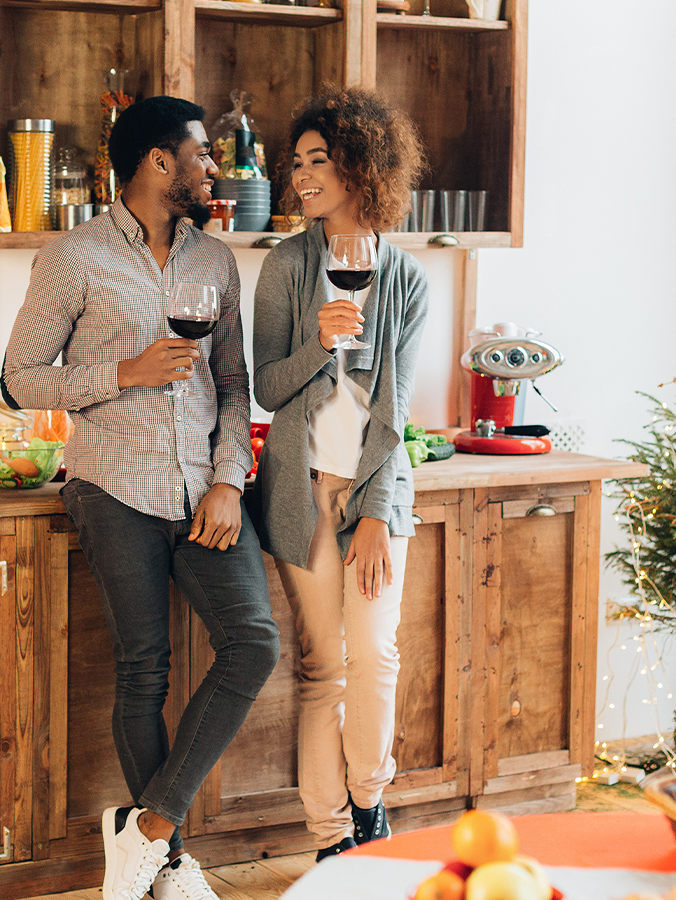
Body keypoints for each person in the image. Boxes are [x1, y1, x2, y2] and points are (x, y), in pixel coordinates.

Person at [3, 95, 280, 900]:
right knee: (143, 670)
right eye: (201, 155)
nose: (212, 168)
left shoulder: (214, 261)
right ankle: (173, 869)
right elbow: (19, 379)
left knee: (252, 643)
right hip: (112, 485)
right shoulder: (74, 257)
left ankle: (146, 830)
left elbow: (234, 386)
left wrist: (230, 480)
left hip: (203, 489)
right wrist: (123, 372)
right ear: (160, 162)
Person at [251, 87, 428, 862]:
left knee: (377, 654)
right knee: (324, 666)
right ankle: (331, 844)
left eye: (318, 161)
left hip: (373, 493)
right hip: (299, 491)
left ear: (364, 166)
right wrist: (317, 346)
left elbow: (397, 411)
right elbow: (265, 386)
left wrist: (379, 516)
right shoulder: (286, 266)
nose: (301, 177)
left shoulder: (407, 280)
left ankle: (371, 805)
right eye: (296, 164)